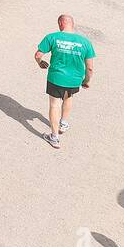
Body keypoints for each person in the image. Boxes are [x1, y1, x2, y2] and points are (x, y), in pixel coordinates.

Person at [33, 14, 96, 150]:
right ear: (72, 25)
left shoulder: (52, 37)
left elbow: (38, 55)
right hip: (74, 79)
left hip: (56, 77)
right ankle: (64, 123)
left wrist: (40, 63)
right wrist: (86, 80)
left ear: (60, 24)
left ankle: (54, 137)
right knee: (68, 97)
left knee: (54, 104)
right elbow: (90, 67)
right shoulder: (85, 42)